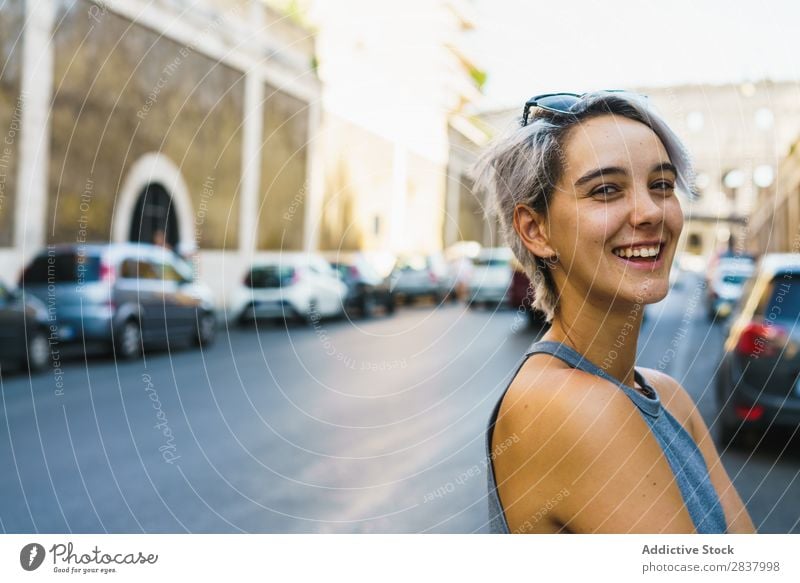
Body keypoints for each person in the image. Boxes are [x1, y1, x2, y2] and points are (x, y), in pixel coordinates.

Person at [474, 91, 756, 534]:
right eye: (606, 190)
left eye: (662, 185)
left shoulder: (668, 397)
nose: (649, 212)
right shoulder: (570, 407)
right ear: (535, 230)